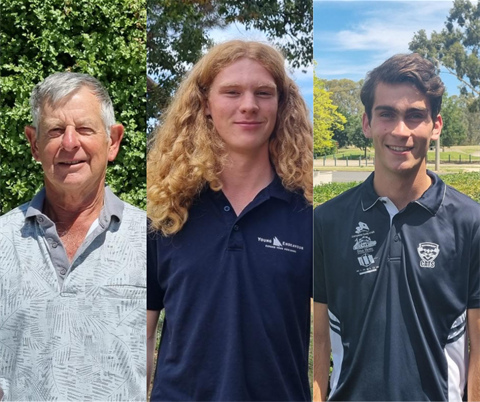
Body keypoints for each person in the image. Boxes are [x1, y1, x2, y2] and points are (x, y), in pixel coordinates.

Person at [147, 40, 313, 402]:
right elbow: (140, 336)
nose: (249, 105)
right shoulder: (166, 211)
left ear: (281, 104)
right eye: (232, 92)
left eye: (264, 93)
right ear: (205, 104)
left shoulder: (310, 214)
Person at [313, 53, 480, 401]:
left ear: (435, 126)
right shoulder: (326, 221)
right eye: (386, 114)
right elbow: (320, 339)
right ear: (366, 123)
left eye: (415, 116)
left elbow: (478, 350)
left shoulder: (470, 222)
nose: (400, 131)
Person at [0, 72, 146, 401]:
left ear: (113, 141)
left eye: (84, 129)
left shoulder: (152, 238)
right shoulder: (3, 240)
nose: (69, 143)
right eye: (55, 130)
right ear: (34, 144)